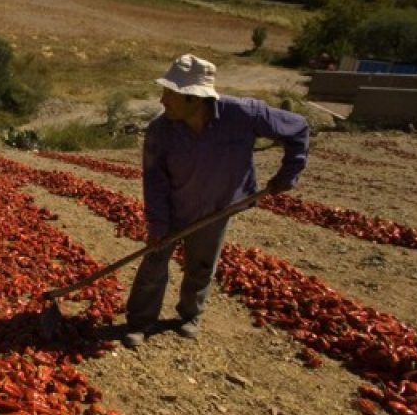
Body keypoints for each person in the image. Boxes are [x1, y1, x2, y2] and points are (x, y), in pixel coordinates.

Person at [123, 54, 309, 349]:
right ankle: (139, 322)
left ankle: (190, 316)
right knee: (155, 260)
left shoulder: (244, 115)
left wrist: (289, 173)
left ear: (195, 99)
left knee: (201, 264)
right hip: (174, 207)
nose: (162, 100)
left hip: (218, 206)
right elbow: (154, 180)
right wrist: (158, 224)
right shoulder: (161, 129)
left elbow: (297, 128)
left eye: (171, 94)